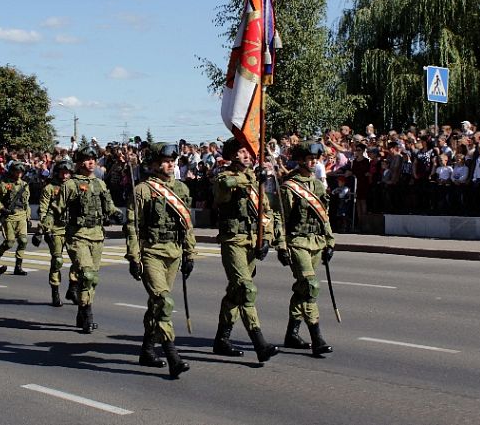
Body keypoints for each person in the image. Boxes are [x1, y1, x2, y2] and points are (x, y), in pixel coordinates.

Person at [125, 142, 196, 378]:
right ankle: (172, 355)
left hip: (174, 253)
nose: (169, 165)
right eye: (165, 162)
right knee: (164, 302)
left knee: (157, 305)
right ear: (153, 165)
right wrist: (134, 257)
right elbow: (133, 227)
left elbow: (187, 226)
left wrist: (190, 253)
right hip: (151, 252)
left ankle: (147, 350)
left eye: (172, 162)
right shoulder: (143, 191)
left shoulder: (181, 190)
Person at [211, 138, 280, 363]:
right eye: (242, 151)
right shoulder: (224, 176)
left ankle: (222, 339)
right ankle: (259, 342)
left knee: (235, 293)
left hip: (252, 240)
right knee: (246, 289)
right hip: (233, 240)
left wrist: (267, 238)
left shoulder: (254, 180)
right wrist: (251, 179)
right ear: (232, 156)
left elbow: (266, 212)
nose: (247, 155)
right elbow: (225, 187)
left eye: (249, 152)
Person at [276, 142, 335, 357]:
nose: (314, 162)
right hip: (298, 242)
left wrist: (330, 242)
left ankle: (292, 333)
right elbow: (280, 219)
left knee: (302, 289)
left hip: (316, 242)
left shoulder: (318, 185)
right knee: (310, 286)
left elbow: (325, 217)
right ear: (300, 160)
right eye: (310, 158)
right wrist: (281, 246)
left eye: (315, 158)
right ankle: (317, 337)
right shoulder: (289, 187)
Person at [57, 146, 120, 333]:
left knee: (92, 278)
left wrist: (117, 214)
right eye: (86, 159)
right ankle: (88, 315)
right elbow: (56, 208)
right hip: (77, 235)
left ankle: (82, 311)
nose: (91, 162)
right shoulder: (70, 185)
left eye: (93, 158)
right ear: (78, 163)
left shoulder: (100, 184)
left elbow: (109, 206)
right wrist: (44, 229)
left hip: (97, 236)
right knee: (87, 274)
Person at [35, 157, 77, 306]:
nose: (65, 176)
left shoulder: (75, 186)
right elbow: (43, 211)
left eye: (68, 173)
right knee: (57, 261)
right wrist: (42, 230)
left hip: (73, 228)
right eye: (62, 172)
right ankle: (55, 291)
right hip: (56, 228)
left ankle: (72, 287)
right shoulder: (49, 188)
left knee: (78, 261)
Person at [0, 161, 31, 276]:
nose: (19, 173)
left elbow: (26, 203)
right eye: (17, 171)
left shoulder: (24, 185)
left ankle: (18, 267)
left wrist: (28, 217)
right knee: (9, 242)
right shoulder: (4, 184)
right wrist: (2, 209)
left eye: (21, 171)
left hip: (21, 216)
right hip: (9, 217)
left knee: (23, 241)